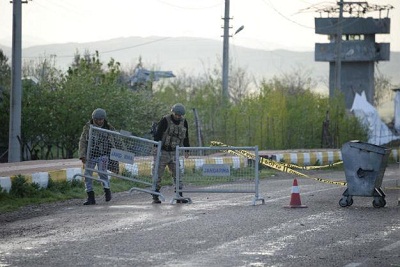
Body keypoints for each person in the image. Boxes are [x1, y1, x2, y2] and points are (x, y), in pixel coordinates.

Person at [152, 103, 190, 204]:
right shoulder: (165, 120)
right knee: (157, 174)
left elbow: (186, 137)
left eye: (179, 115)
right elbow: (158, 135)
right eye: (176, 114)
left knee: (178, 174)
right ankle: (155, 196)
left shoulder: (184, 122)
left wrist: (187, 150)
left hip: (174, 152)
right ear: (173, 112)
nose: (177, 117)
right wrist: (156, 149)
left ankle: (179, 196)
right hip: (162, 151)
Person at [79, 108, 115, 205]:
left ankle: (107, 191)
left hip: (103, 155)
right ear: (93, 119)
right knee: (87, 175)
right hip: (90, 155)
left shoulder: (108, 127)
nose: (99, 121)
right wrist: (82, 155)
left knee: (103, 174)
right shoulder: (88, 127)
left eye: (101, 119)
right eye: (97, 120)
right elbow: (82, 141)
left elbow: (115, 139)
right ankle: (90, 196)